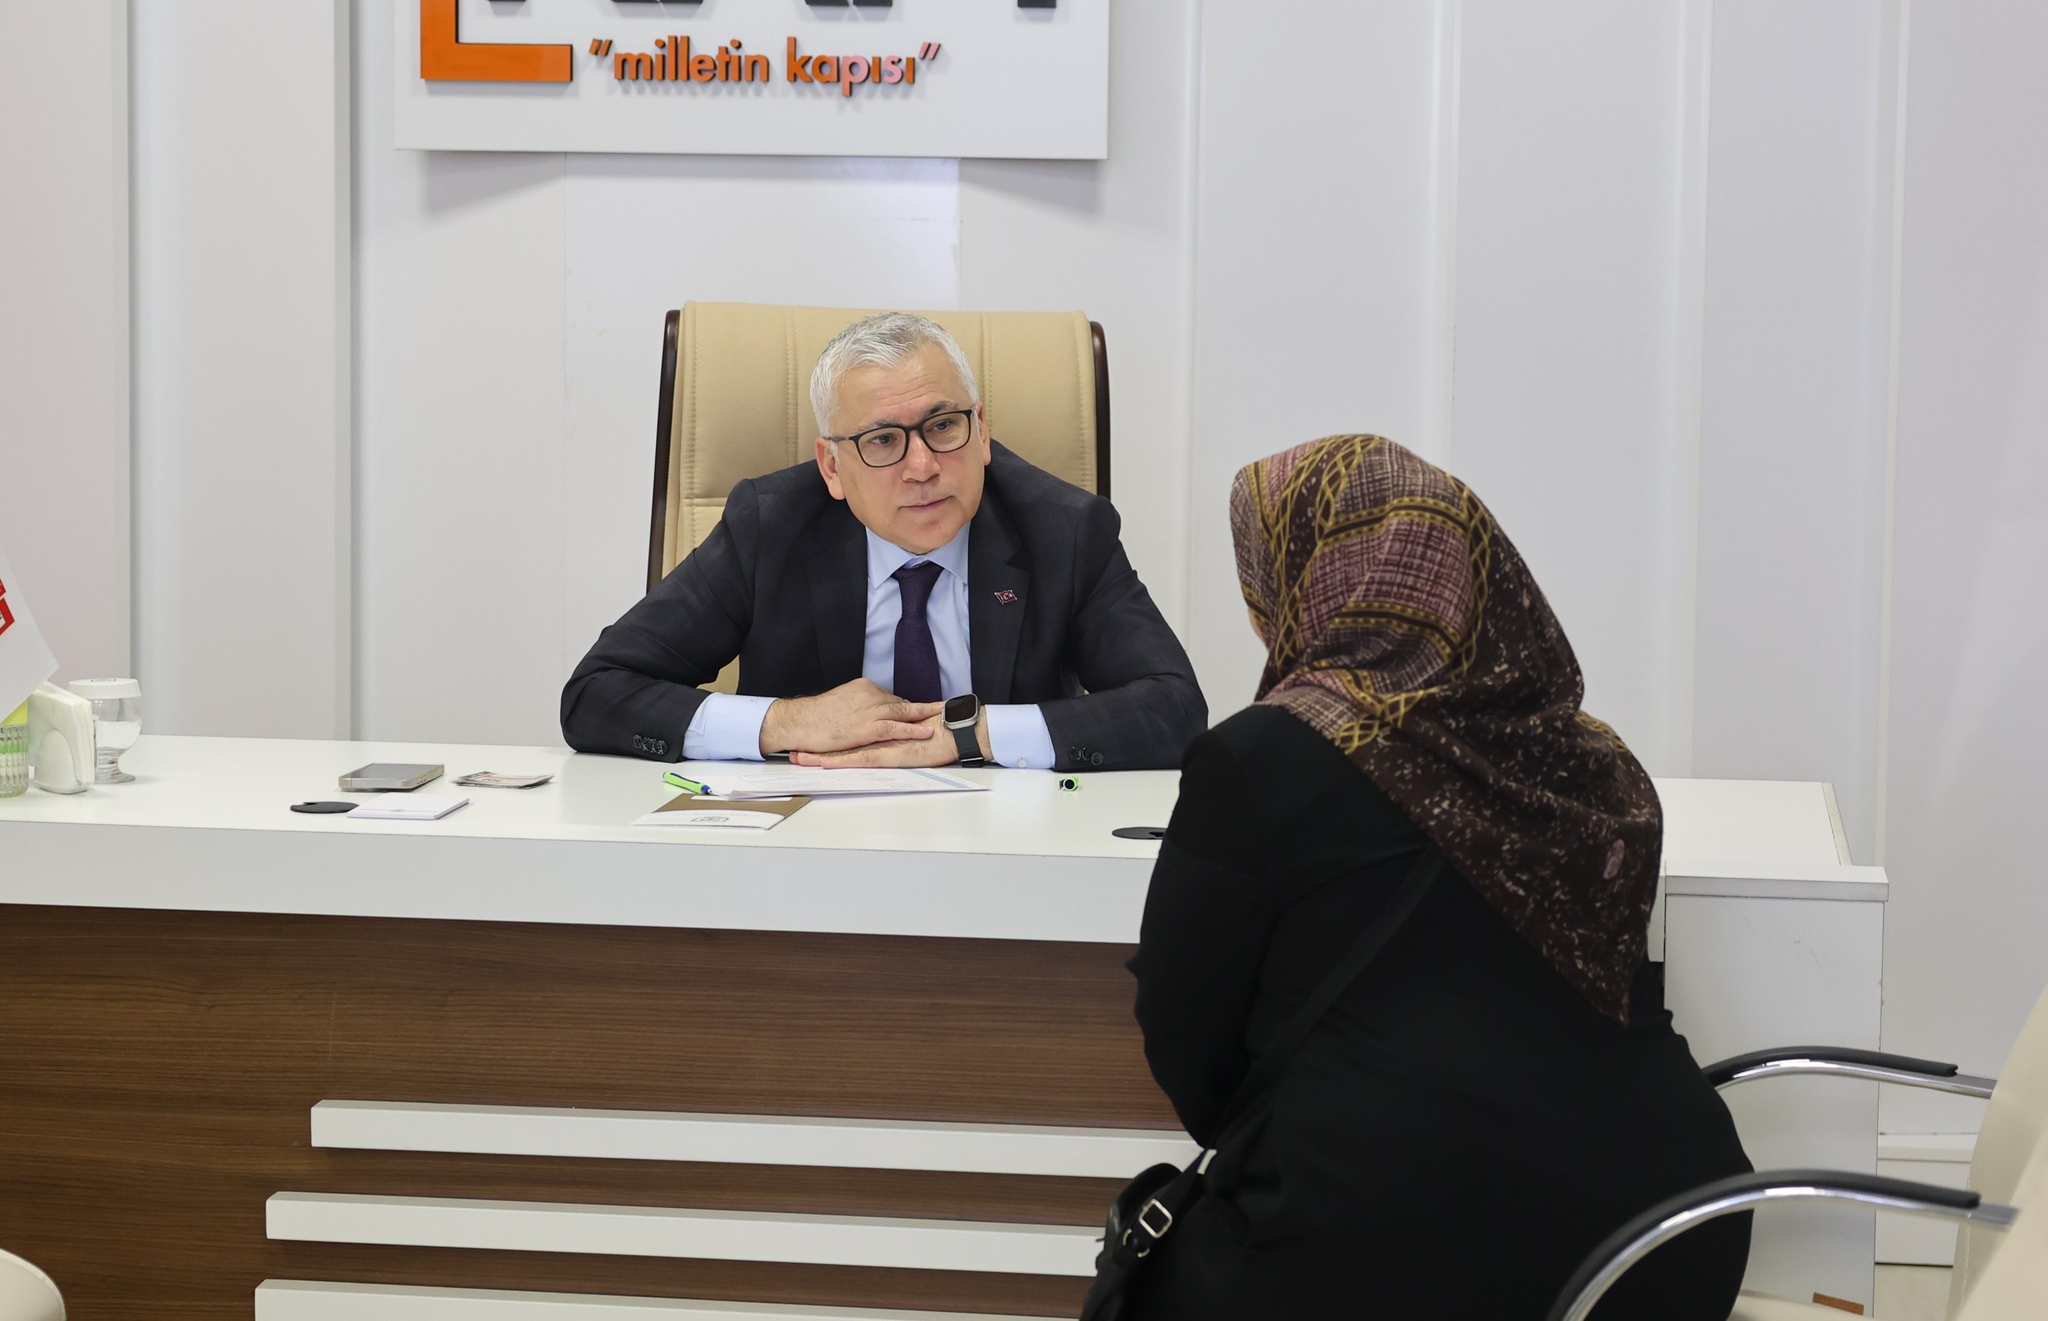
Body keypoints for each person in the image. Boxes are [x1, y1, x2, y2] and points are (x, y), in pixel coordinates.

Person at [1122, 435, 1752, 1319]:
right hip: (1666, 1238)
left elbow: (1187, 1034)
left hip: (1375, 1242)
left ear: (1302, 579)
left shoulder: (1258, 757)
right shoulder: (1595, 763)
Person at [561, 312, 1205, 771]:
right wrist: (788, 721)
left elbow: (1174, 709)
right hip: (807, 845)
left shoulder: (1066, 529)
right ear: (832, 468)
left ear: (982, 432)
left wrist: (971, 734)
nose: (922, 466)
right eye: (881, 440)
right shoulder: (771, 525)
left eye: (943, 426)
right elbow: (597, 692)